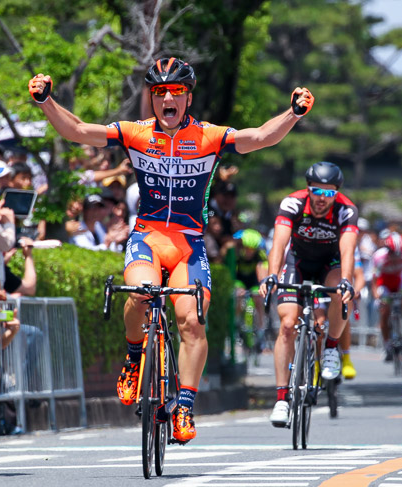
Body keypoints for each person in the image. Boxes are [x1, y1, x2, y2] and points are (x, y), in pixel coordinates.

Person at [29, 56, 315, 443]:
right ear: (152, 97)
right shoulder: (135, 132)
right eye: (160, 91)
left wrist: (293, 113)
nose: (167, 98)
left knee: (192, 321)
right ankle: (133, 359)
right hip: (147, 238)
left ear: (188, 98)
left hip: (189, 245)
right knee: (140, 296)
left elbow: (260, 137)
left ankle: (184, 405)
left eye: (175, 92)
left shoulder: (209, 136)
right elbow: (79, 130)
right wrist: (47, 101)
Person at [261, 161, 358, 426]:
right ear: (308, 188)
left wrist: (347, 281)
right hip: (298, 261)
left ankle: (330, 348)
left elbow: (348, 249)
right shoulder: (292, 203)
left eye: (329, 193)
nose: (321, 199)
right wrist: (272, 273)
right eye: (317, 191)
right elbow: (279, 243)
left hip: (331, 262)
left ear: (336, 194)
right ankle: (281, 399)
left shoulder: (345, 209)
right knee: (288, 325)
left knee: (340, 292)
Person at [371, 232, 402, 361]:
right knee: (385, 311)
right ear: (387, 251)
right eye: (393, 253)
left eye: (399, 253)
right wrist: (377, 297)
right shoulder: (379, 257)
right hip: (384, 283)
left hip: (401, 280)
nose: (396, 257)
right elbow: (374, 282)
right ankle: (387, 345)